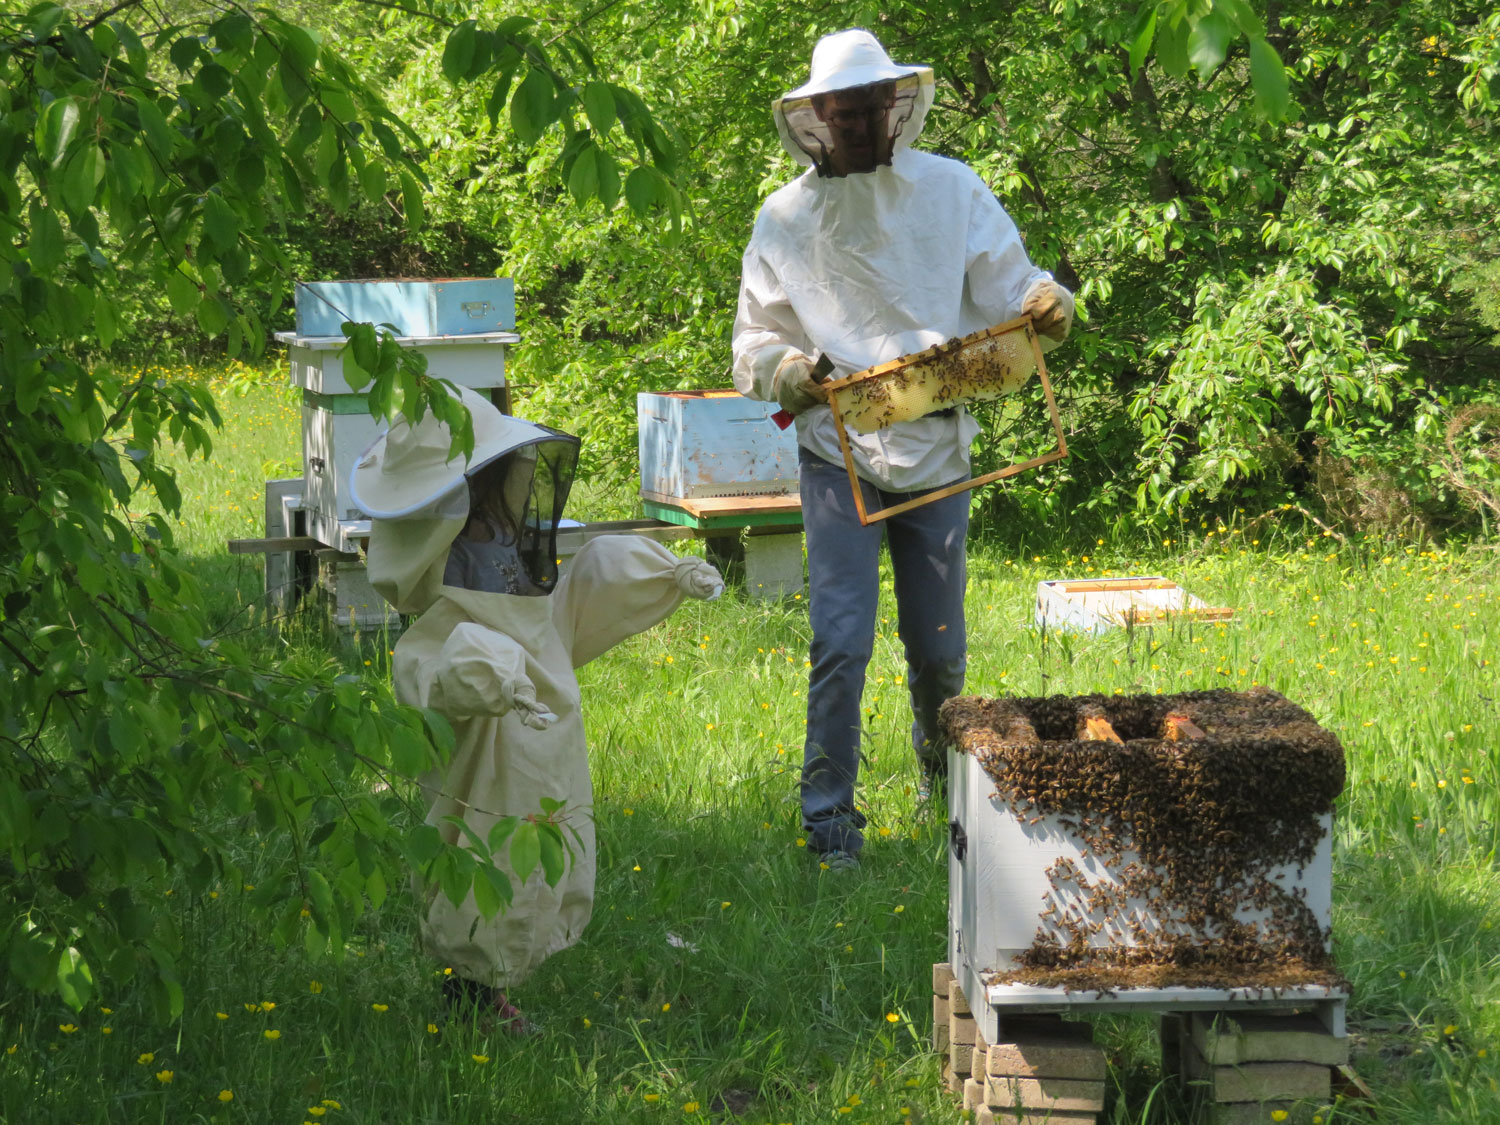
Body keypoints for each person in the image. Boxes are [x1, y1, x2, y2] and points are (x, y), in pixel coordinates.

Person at [731, 29, 1074, 869]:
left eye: (869, 108)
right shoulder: (783, 216)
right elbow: (751, 344)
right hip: (837, 449)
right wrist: (792, 372)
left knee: (940, 645)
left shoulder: (951, 189)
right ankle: (828, 824)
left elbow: (1015, 284)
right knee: (841, 638)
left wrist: (1049, 300)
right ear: (816, 115)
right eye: (842, 112)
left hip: (937, 440)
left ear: (897, 106)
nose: (857, 125)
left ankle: (946, 789)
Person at [351, 386, 724, 1031]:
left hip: (545, 748)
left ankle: (491, 985)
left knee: (539, 854)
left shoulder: (518, 563)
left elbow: (577, 593)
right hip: (483, 765)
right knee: (478, 860)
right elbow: (439, 671)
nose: (503, 529)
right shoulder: (439, 615)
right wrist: (487, 673)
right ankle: (470, 996)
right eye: (487, 511)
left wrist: (664, 574)